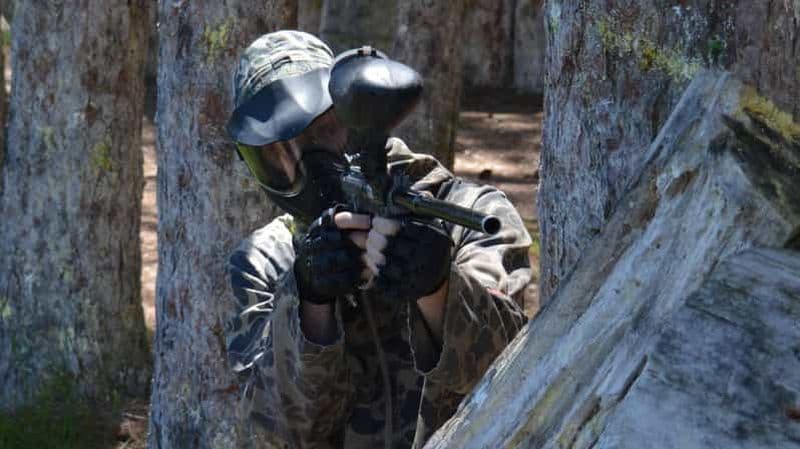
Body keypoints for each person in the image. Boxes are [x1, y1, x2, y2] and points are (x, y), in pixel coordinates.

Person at [224, 30, 532, 449]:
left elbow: (517, 373)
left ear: (354, 119)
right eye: (280, 157)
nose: (307, 164)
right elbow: (280, 430)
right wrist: (309, 300)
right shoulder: (264, 261)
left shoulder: (469, 214)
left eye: (323, 133)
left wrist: (440, 290)